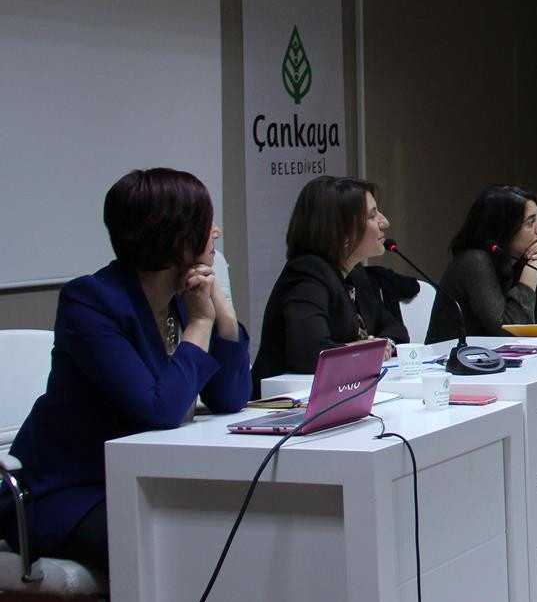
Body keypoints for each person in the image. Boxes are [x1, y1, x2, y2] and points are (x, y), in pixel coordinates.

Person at [7, 168, 251, 569]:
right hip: (71, 492)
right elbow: (159, 410)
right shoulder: (90, 301)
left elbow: (230, 397)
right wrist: (200, 323)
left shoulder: (180, 296)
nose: (217, 232)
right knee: (181, 547)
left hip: (144, 479)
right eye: (206, 223)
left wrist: (221, 312)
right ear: (177, 237)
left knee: (232, 525)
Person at [251, 176, 407, 389]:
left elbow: (396, 329)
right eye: (372, 216)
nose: (384, 222)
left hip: (335, 392)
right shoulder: (307, 274)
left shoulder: (355, 273)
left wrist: (385, 344)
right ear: (342, 232)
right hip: (283, 400)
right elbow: (311, 353)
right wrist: (366, 351)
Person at [425, 185, 537, 342]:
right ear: (503, 228)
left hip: (491, 355)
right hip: (450, 355)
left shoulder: (518, 259)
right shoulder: (473, 261)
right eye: (530, 222)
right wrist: (529, 277)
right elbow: (510, 333)